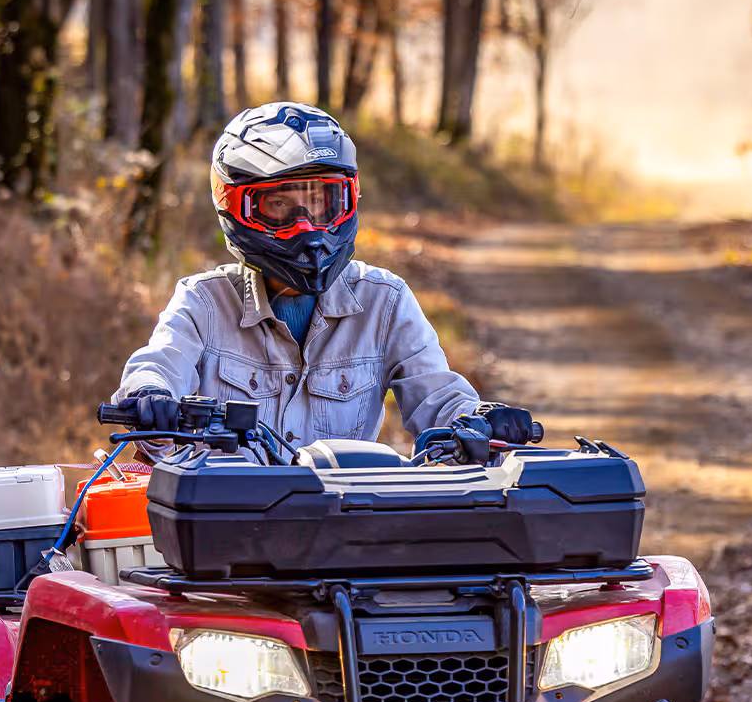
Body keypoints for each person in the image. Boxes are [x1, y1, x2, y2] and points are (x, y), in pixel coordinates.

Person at [112, 102, 533, 453]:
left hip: (348, 532)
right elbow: (159, 363)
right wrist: (150, 396)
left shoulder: (383, 301)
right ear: (234, 209)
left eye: (321, 202)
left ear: (350, 200)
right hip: (225, 530)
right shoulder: (203, 303)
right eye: (279, 205)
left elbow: (437, 396)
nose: (306, 226)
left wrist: (477, 418)